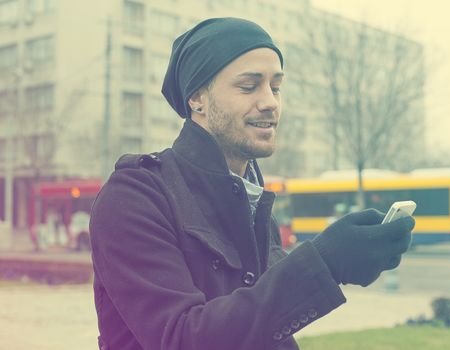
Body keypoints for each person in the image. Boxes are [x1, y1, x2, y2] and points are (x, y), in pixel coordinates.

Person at [89, 17, 415, 350]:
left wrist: (345, 260)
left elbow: (262, 332)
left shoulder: (255, 202)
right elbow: (181, 338)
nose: (271, 102)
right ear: (196, 98)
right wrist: (324, 264)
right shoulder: (134, 196)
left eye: (276, 87)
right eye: (249, 86)